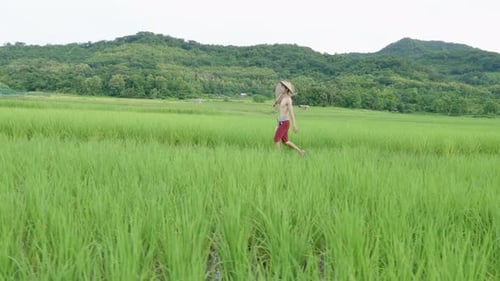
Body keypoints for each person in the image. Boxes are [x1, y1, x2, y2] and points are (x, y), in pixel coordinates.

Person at [273, 80, 305, 156]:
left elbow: (291, 112)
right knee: (285, 141)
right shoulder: (282, 98)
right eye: (281, 86)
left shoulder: (288, 100)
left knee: (276, 139)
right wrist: (276, 102)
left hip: (285, 122)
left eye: (283, 87)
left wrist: (294, 125)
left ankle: (278, 156)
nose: (281, 88)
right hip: (280, 122)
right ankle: (300, 152)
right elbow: (277, 107)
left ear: (286, 89)